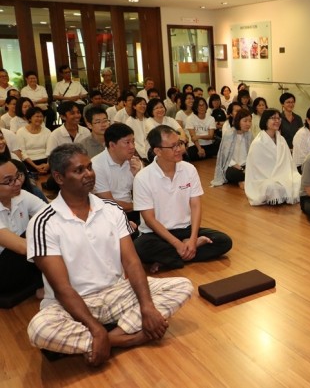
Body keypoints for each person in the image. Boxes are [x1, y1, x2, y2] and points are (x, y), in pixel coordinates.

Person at [26, 144, 193, 365]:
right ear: (58, 177)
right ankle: (126, 338)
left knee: (183, 286)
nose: (89, 174)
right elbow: (62, 288)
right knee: (39, 330)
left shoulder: (111, 210)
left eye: (90, 167)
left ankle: (105, 340)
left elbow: (132, 263)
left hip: (116, 293)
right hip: (72, 303)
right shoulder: (42, 222)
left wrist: (147, 307)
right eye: (79, 170)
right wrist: (96, 329)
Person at [133, 125, 233, 272]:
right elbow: (150, 220)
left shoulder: (189, 169)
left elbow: (196, 206)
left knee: (224, 241)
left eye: (179, 143)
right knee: (140, 248)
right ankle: (183, 252)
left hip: (185, 229)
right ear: (157, 151)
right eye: (173, 146)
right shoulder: (143, 177)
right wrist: (178, 244)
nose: (179, 149)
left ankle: (168, 260)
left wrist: (192, 239)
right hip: (157, 234)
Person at [0, 158, 47, 301]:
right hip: (3, 271)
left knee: (46, 227)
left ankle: (43, 284)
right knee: (34, 236)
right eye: (9, 181)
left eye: (18, 175)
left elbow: (53, 216)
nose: (18, 182)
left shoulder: (21, 195)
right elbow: (21, 247)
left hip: (23, 264)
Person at [244, 108, 301, 206]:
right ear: (265, 121)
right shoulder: (257, 143)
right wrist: (275, 177)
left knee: (299, 179)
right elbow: (257, 169)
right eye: (273, 118)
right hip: (265, 178)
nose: (277, 121)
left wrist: (284, 175)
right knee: (272, 186)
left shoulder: (281, 139)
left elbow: (288, 162)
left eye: (279, 118)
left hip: (283, 174)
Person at [92, 123, 143, 224]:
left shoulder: (134, 162)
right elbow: (109, 203)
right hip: (107, 215)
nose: (132, 147)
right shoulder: (96, 165)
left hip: (134, 210)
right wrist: (138, 205)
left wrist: (138, 175)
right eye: (127, 142)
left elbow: (146, 193)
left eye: (133, 141)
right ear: (112, 145)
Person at [211, 108, 253, 188]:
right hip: (232, 166)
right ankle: (244, 179)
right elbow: (225, 156)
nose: (248, 124)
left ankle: (242, 180)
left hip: (246, 164)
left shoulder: (249, 134)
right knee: (232, 174)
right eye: (245, 121)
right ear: (238, 121)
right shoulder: (229, 134)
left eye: (250, 121)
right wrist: (240, 168)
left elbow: (252, 153)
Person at [17, 107, 51, 175]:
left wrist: (48, 165)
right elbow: (22, 152)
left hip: (45, 161)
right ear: (29, 118)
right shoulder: (21, 132)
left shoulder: (47, 131)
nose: (40, 119)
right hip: (29, 161)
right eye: (37, 116)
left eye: (41, 116)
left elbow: (50, 149)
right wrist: (36, 166)